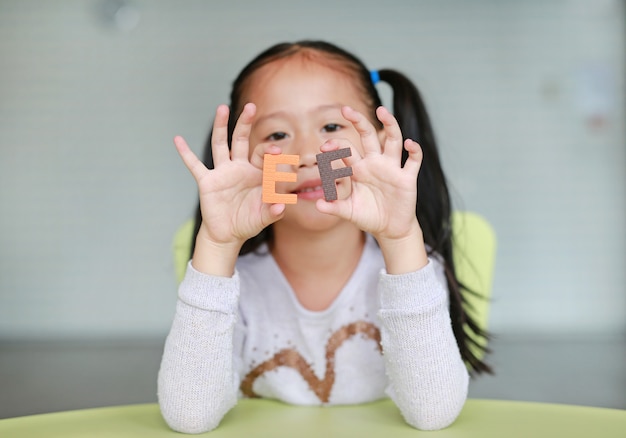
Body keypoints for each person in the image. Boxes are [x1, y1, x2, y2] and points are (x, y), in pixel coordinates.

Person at [158, 40, 491, 434]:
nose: (306, 154)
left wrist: (401, 239)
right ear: (241, 155)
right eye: (277, 134)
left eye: (331, 127)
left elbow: (433, 414)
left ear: (382, 141)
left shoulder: (413, 266)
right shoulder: (233, 281)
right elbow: (189, 417)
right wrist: (216, 246)